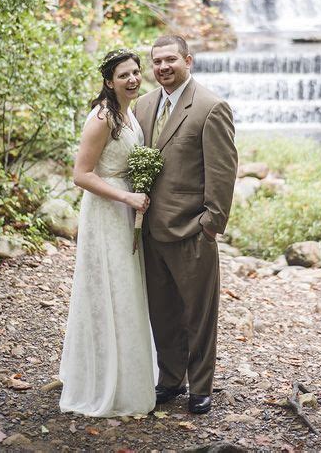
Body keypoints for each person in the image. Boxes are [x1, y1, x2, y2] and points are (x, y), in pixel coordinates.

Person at [133, 35, 238, 415]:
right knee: (161, 311)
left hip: (192, 231)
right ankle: (171, 379)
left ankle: (201, 387)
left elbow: (223, 173)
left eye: (170, 60)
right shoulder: (143, 106)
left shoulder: (211, 107)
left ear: (188, 61)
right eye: (157, 61)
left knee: (199, 314)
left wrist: (211, 223)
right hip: (149, 231)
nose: (163, 67)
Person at [59, 49, 156, 417]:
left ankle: (129, 372)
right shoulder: (102, 117)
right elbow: (81, 174)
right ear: (108, 81)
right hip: (106, 211)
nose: (132, 79)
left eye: (135, 72)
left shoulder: (129, 112)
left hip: (125, 209)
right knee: (108, 289)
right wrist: (126, 195)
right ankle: (102, 380)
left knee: (127, 290)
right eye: (123, 75)